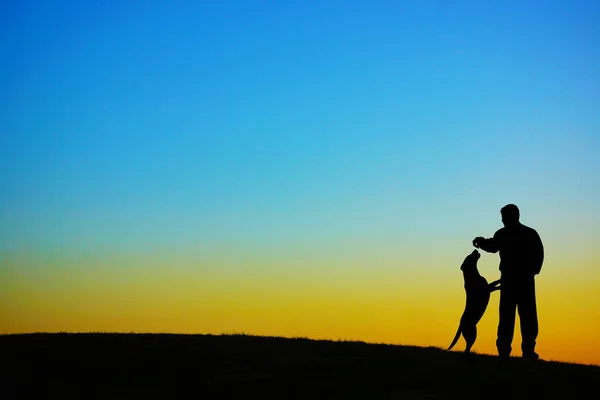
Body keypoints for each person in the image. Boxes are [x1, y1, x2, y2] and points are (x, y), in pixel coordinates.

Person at [472, 204, 544, 360]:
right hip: (514, 281)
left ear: (513, 217)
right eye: (502, 217)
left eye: (504, 217)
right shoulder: (521, 233)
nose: (503, 220)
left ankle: (522, 350)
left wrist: (532, 271)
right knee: (512, 317)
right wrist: (482, 242)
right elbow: (493, 246)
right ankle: (510, 350)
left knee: (522, 316)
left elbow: (538, 253)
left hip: (520, 281)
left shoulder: (524, 234)